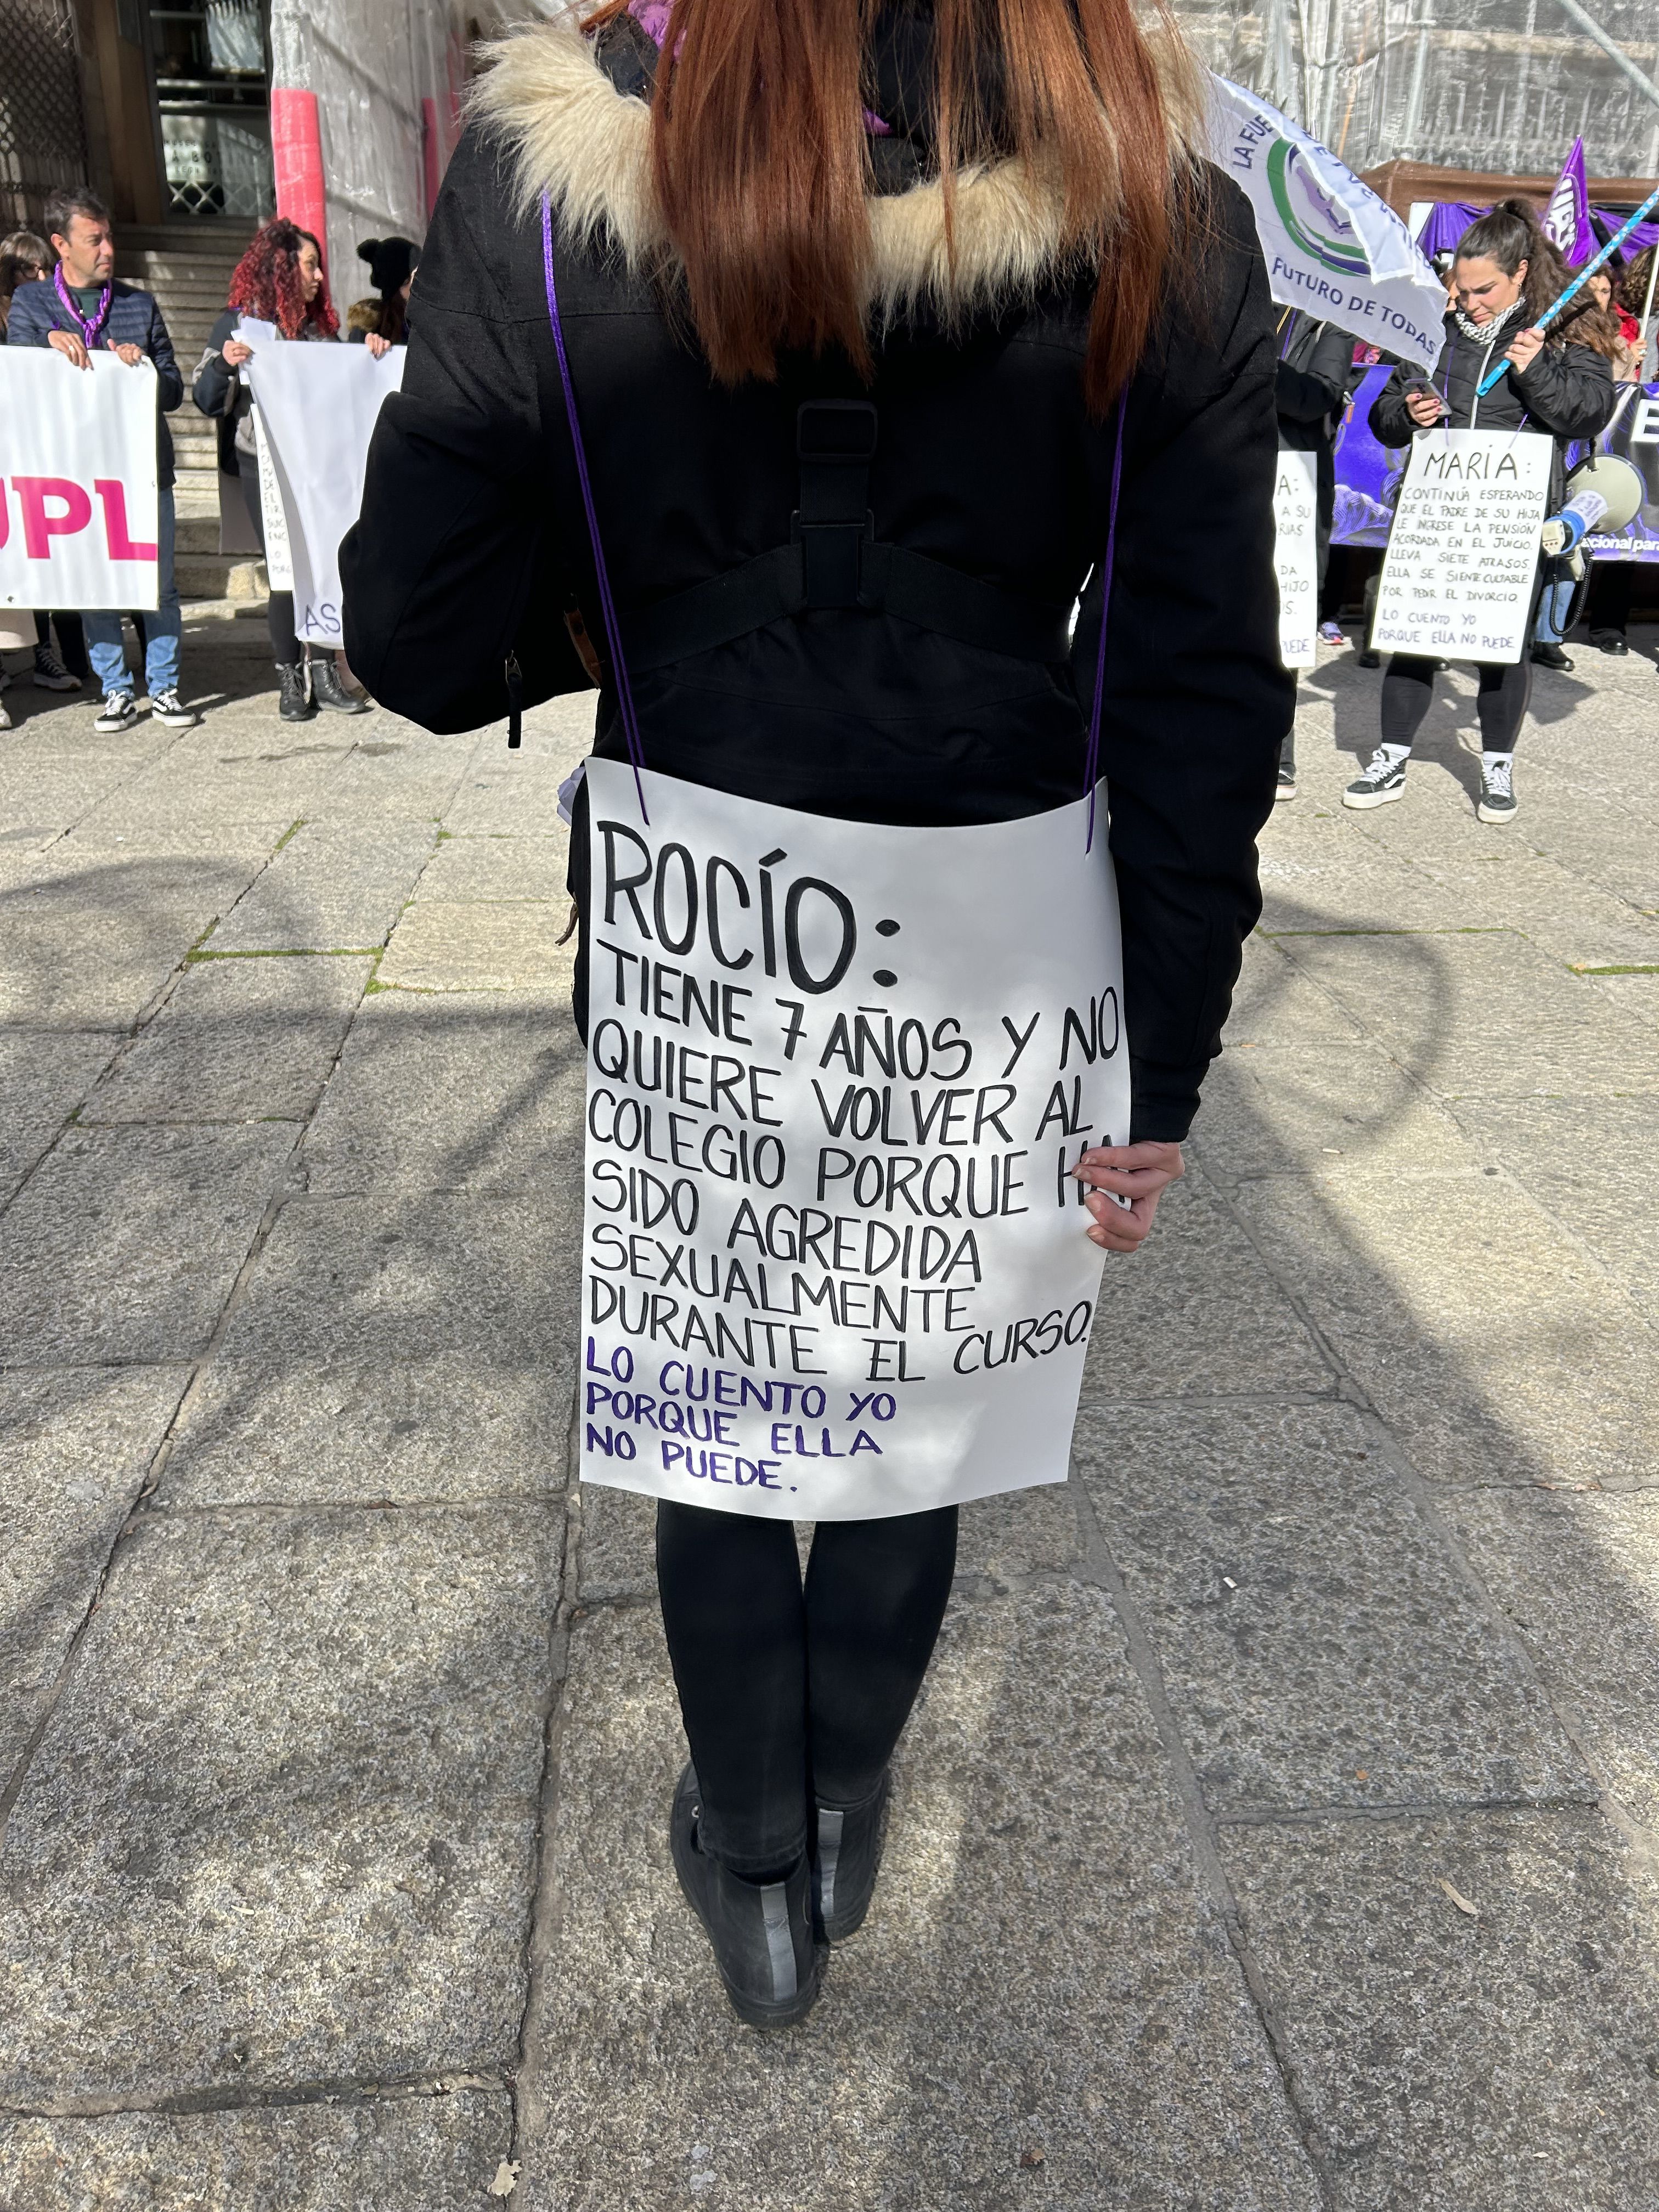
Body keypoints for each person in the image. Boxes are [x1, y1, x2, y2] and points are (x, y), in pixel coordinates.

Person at [344, 0, 1289, 2027]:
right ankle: (839, 1800)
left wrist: (632, 598)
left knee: (725, 1383)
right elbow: (1196, 704)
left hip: (706, 904)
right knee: (913, 1395)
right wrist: (1160, 1063)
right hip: (1001, 927)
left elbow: (414, 636)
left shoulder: (542, 185)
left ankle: (750, 1847)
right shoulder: (1160, 212)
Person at [1346, 199, 1616, 823]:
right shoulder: (1430, 327)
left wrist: (1536, 369)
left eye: (1484, 290)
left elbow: (1588, 412)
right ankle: (1390, 756)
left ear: (1520, 272)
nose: (1469, 302)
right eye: (1460, 288)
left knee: (1504, 645)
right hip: (1437, 511)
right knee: (1414, 637)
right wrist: (1407, 409)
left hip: (1511, 515)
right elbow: (1386, 417)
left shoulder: (1566, 323)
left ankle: (1497, 763)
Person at [4, 190, 196, 732]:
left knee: (159, 584)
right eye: (96, 240)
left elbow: (174, 389)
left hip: (142, 470)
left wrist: (142, 372)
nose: (109, 248)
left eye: (110, 237)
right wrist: (46, 342)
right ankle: (115, 688)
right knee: (98, 581)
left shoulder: (138, 305)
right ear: (61, 245)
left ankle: (165, 688)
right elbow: (18, 377)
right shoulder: (32, 304)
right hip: (78, 473)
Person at [191, 218, 383, 720]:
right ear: (280, 268)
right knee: (284, 569)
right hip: (264, 467)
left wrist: (368, 354)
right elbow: (206, 400)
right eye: (310, 264)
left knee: (322, 561)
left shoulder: (321, 330)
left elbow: (344, 388)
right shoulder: (236, 325)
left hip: (316, 466)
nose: (319, 275)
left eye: (318, 265)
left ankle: (324, 672)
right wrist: (224, 365)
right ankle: (289, 677)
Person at [0, 230, 87, 700]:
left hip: (45, 451)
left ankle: (51, 655)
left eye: (41, 269)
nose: (35, 277)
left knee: (49, 558)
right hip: (8, 453)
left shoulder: (53, 311)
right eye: (24, 269)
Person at [1273, 309, 1356, 798]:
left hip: (1293, 486)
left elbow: (1317, 397)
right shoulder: (1245, 300)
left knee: (1282, 623)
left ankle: (1279, 753)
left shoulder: (1330, 319)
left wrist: (1257, 357)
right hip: (1225, 468)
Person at [1577, 253, 1654, 660]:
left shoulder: (1630, 326)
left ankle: (1610, 623)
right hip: (1599, 438)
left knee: (1635, 534)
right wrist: (1626, 357)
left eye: (1605, 291)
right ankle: (1559, 622)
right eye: (1593, 290)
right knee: (1587, 528)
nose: (1600, 297)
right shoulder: (1626, 325)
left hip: (1644, 443)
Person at [347, 235, 420, 346]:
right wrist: (371, 346)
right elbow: (354, 355)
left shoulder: (431, 318)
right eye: (416, 275)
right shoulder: (372, 327)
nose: (423, 282)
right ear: (400, 284)